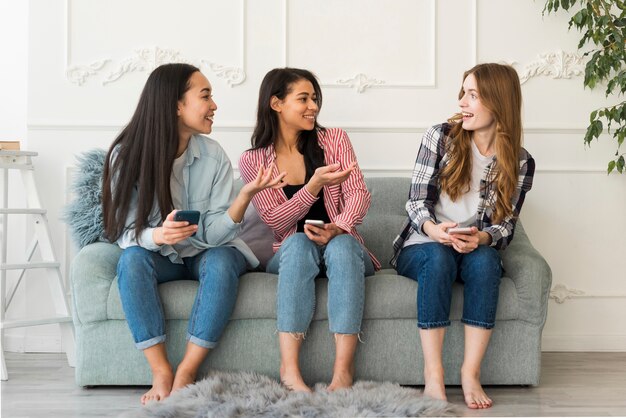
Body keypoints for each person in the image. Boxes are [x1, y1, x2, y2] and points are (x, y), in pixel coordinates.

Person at [102, 63, 285, 405]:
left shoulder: (213, 155)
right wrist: (158, 236)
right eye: (205, 96)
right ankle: (160, 371)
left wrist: (244, 196)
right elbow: (123, 230)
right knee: (131, 261)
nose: (214, 105)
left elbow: (215, 234)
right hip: (161, 257)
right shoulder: (126, 155)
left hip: (203, 252)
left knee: (222, 259)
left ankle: (187, 370)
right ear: (176, 104)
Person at [391, 63, 535, 409]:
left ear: (498, 102)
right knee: (438, 258)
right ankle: (434, 375)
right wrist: (434, 230)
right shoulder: (439, 136)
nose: (462, 102)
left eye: (473, 95)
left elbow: (505, 226)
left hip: (472, 247)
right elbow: (415, 202)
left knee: (487, 261)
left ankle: (471, 374)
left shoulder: (520, 162)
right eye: (463, 93)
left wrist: (481, 240)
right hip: (423, 243)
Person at [238, 68, 381, 393]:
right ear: (276, 103)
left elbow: (359, 193)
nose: (313, 106)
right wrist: (313, 185)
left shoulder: (335, 140)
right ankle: (289, 370)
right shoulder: (254, 160)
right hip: (290, 252)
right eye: (303, 98)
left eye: (315, 98)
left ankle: (343, 371)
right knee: (300, 243)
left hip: (341, 245)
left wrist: (339, 227)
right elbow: (276, 221)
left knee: (342, 246)